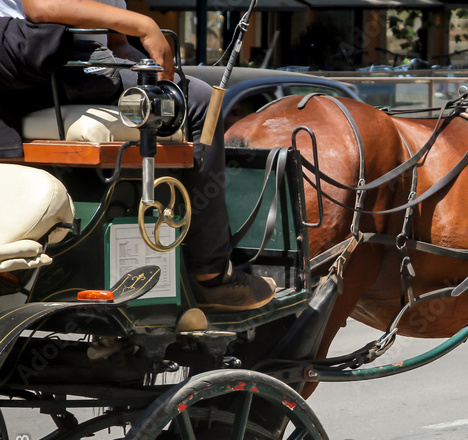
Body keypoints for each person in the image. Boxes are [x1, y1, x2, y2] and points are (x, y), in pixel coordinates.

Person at [0, 0, 275, 310]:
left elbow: (115, 42)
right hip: (35, 66)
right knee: (201, 100)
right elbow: (43, 7)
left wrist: (147, 66)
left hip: (69, 66)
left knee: (171, 92)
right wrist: (144, 25)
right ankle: (210, 274)